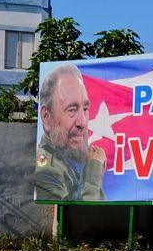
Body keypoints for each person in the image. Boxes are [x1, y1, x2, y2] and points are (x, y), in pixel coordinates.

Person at [33, 64, 106, 201]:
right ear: (46, 117)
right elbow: (86, 217)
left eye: (85, 109)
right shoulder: (46, 171)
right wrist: (93, 174)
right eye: (71, 110)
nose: (82, 122)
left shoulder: (70, 160)